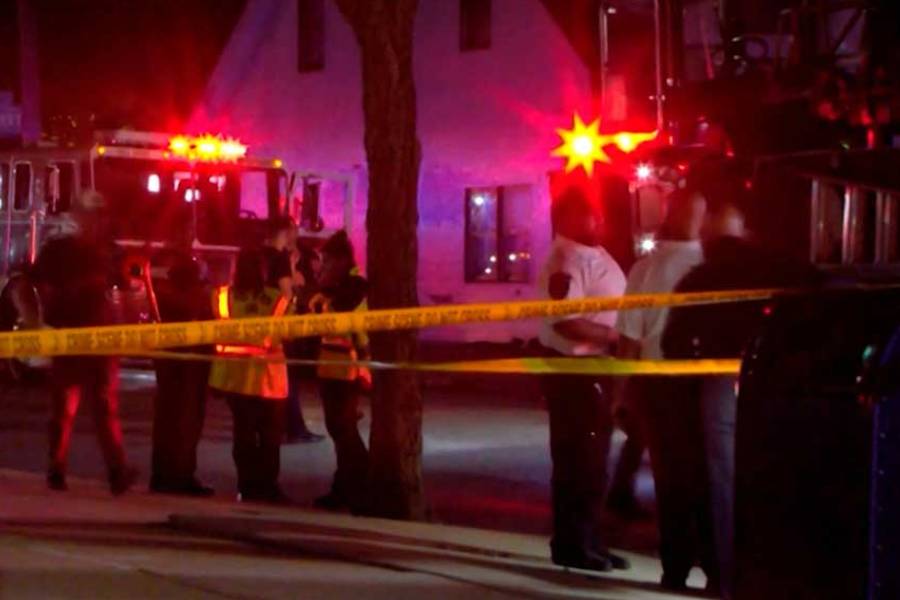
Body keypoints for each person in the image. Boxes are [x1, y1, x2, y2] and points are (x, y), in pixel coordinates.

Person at [662, 183, 820, 598]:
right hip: (777, 386)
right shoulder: (781, 266)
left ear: (711, 232)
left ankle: (726, 577)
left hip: (719, 389)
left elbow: (672, 344)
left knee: (721, 480)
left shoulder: (699, 277)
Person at [613, 187, 714, 591]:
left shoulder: (646, 269)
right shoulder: (715, 265)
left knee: (670, 480)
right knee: (710, 475)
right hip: (708, 385)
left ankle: (675, 568)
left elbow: (629, 341)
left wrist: (621, 394)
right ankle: (717, 566)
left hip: (659, 387)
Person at [537, 185, 629, 573]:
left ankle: (589, 540)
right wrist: (614, 337)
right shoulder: (566, 258)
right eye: (591, 213)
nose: (599, 220)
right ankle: (576, 544)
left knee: (594, 461)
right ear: (569, 219)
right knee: (582, 460)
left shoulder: (590, 252)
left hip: (596, 371)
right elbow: (567, 321)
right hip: (577, 372)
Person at [32, 191, 137, 495]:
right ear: (77, 216)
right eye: (89, 214)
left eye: (98, 214)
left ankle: (117, 472)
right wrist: (39, 322)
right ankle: (56, 468)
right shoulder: (58, 251)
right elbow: (36, 284)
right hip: (69, 336)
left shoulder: (108, 251)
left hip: (102, 341)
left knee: (105, 407)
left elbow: (122, 287)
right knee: (64, 408)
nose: (95, 220)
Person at [209, 247, 291, 503]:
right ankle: (267, 487)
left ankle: (246, 485)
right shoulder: (278, 299)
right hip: (269, 379)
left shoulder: (222, 297)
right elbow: (288, 334)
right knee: (270, 436)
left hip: (235, 377)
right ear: (263, 270)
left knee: (243, 434)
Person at [310, 231, 370, 512]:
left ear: (340, 259)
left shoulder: (354, 286)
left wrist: (324, 293)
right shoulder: (339, 286)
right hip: (331, 368)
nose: (322, 265)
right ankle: (347, 487)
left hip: (346, 370)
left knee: (344, 432)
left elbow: (346, 317)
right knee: (340, 432)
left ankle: (355, 487)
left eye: (326, 260)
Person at [150, 251, 215, 496]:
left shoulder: (165, 298)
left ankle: (161, 475)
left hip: (171, 369)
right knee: (186, 422)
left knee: (166, 421)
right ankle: (181, 477)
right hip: (190, 370)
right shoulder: (195, 300)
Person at [262, 216, 323, 443]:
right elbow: (287, 294)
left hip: (261, 327)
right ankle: (294, 428)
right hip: (282, 329)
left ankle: (278, 427)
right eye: (292, 231)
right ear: (285, 233)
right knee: (289, 380)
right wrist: (296, 288)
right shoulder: (278, 259)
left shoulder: (259, 256)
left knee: (272, 381)